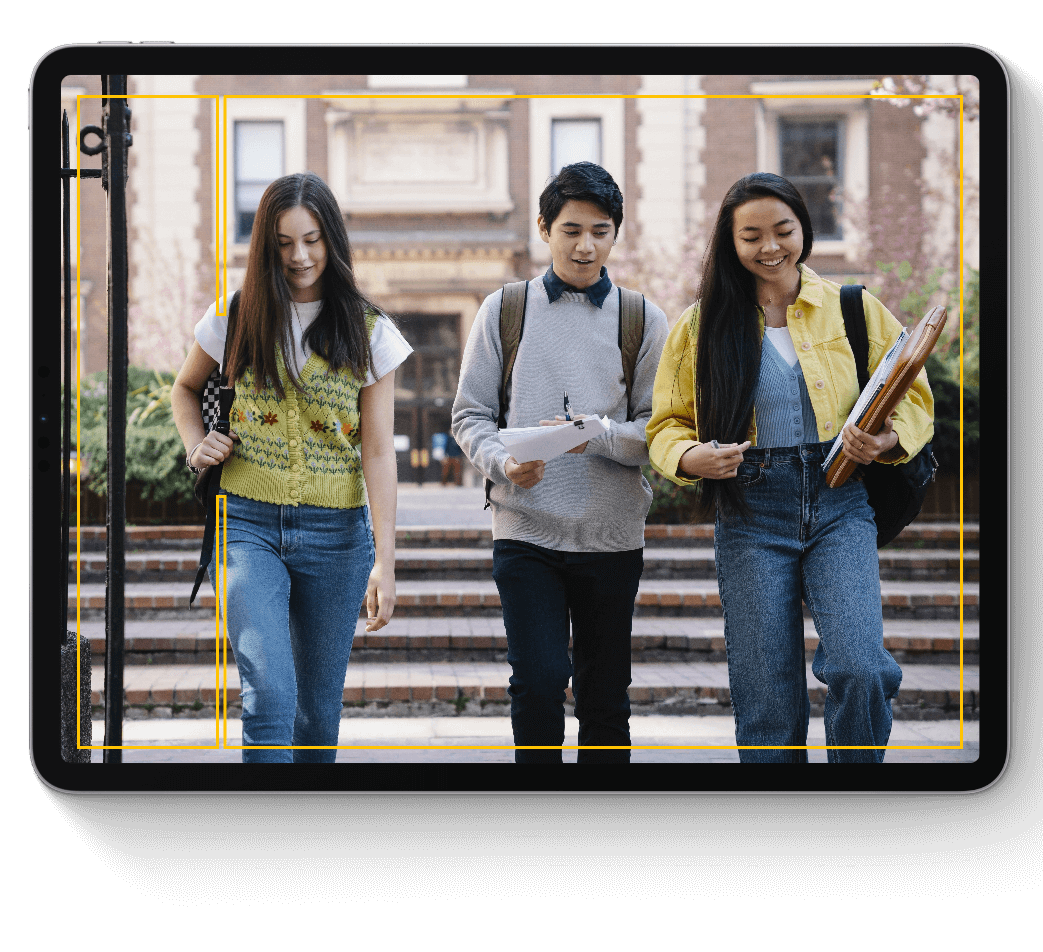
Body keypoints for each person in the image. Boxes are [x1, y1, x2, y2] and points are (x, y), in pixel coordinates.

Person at [646, 172, 933, 763]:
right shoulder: (701, 326)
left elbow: (915, 395)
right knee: (768, 705)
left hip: (840, 501)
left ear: (804, 226)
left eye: (783, 230)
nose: (770, 246)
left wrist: (884, 441)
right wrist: (689, 457)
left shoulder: (853, 307)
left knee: (860, 667)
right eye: (751, 236)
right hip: (750, 511)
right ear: (731, 243)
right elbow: (667, 424)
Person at [171, 172, 412, 763]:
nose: (299, 256)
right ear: (265, 245)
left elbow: (378, 451)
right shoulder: (235, 315)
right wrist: (195, 444)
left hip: (337, 536)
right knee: (269, 698)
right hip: (247, 525)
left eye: (312, 239)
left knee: (316, 715)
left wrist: (387, 558)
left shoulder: (370, 331)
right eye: (283, 242)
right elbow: (184, 389)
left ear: (332, 239)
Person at [452, 162, 668, 763]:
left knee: (605, 697)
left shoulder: (641, 317)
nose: (585, 244)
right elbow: (469, 415)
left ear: (615, 234)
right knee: (540, 683)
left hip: (611, 536)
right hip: (526, 531)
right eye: (571, 229)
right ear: (545, 228)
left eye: (600, 230)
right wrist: (503, 462)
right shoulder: (505, 309)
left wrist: (594, 435)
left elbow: (662, 429)